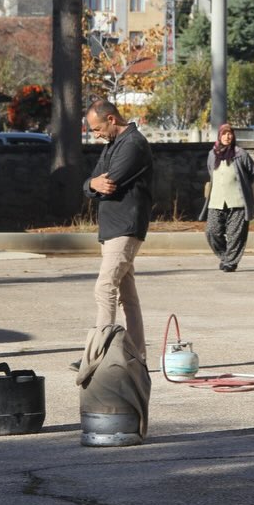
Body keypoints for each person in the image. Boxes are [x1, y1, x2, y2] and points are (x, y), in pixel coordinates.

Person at [76, 100, 153, 369]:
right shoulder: (112, 145)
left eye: (97, 128)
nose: (95, 135)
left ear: (111, 119)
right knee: (126, 295)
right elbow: (93, 182)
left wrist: (94, 185)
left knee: (104, 287)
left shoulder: (133, 144)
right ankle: (136, 357)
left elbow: (109, 183)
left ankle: (97, 356)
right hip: (112, 229)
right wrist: (91, 184)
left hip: (125, 227)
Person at [200, 123, 254, 272]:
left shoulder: (240, 154)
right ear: (219, 136)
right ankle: (226, 256)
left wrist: (244, 185)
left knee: (235, 235)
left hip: (237, 201)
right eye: (224, 134)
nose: (227, 136)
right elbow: (210, 171)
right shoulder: (212, 154)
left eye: (230, 133)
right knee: (212, 232)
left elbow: (253, 172)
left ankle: (231, 262)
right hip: (216, 201)